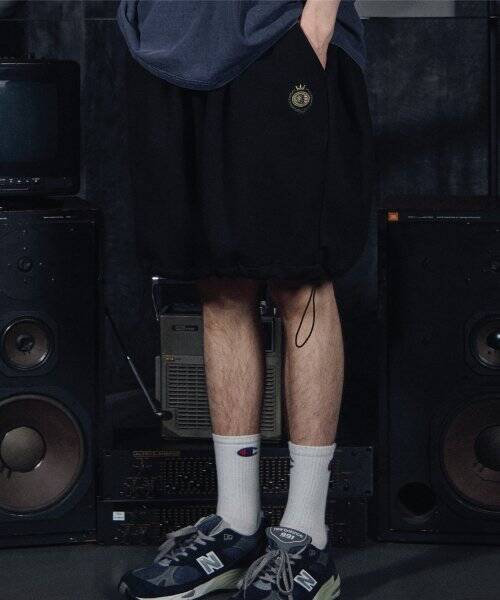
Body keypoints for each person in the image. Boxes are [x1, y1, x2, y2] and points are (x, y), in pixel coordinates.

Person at [117, 1, 376, 599]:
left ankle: (306, 536)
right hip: (168, 46)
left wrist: (316, 23)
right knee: (218, 283)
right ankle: (235, 525)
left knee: (301, 280)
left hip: (280, 35)